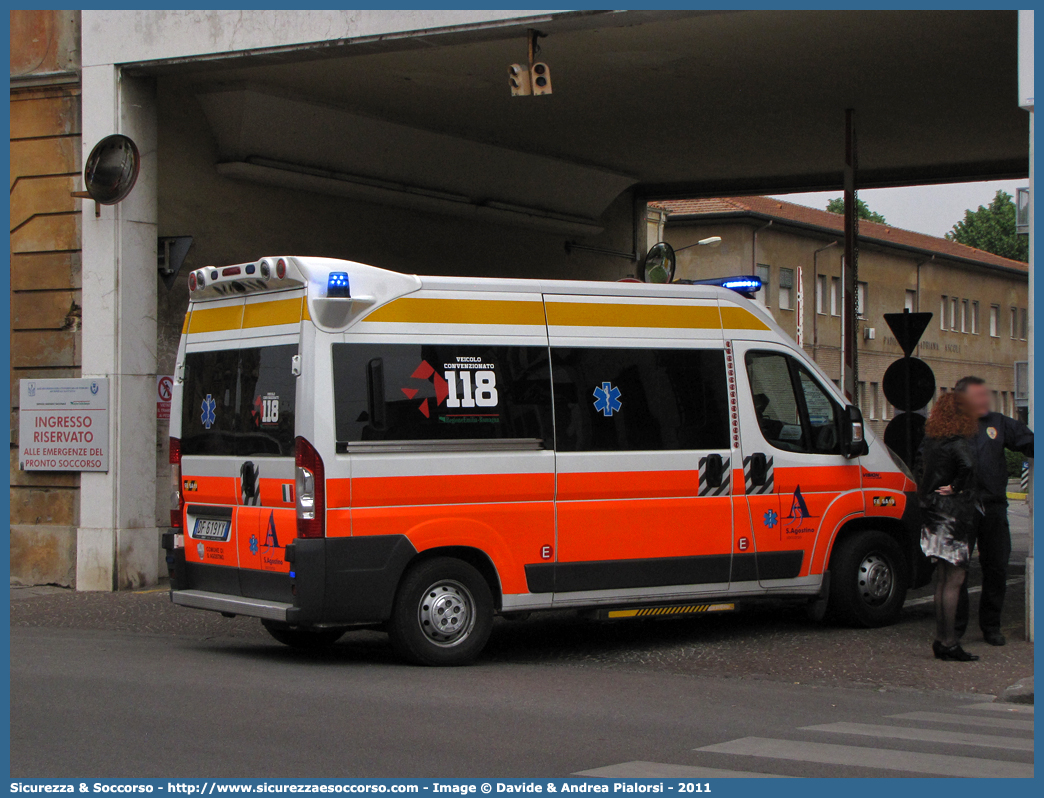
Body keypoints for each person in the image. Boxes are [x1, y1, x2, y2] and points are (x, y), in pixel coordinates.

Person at [952, 376, 1034, 646]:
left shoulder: (998, 423)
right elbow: (927, 461)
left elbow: (1028, 441)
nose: (984, 400)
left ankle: (991, 626)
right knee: (957, 570)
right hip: (961, 507)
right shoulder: (948, 427)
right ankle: (955, 628)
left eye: (985, 395)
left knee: (997, 567)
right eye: (978, 396)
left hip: (994, 507)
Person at [918, 392, 982, 661]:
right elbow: (968, 465)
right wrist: (955, 487)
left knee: (942, 579)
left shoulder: (930, 441)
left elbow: (918, 468)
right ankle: (950, 641)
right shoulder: (957, 442)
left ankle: (940, 639)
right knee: (955, 579)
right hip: (953, 514)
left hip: (932, 513)